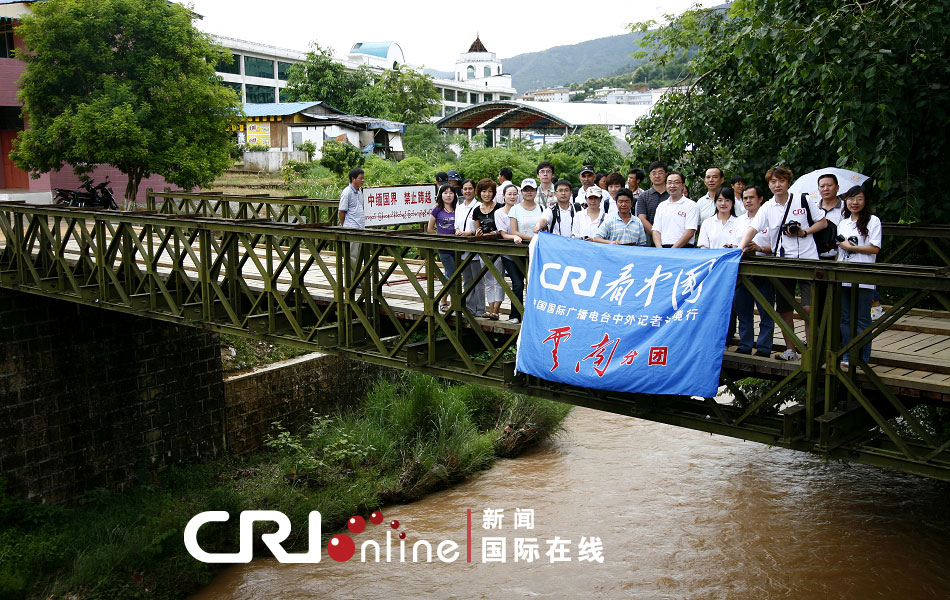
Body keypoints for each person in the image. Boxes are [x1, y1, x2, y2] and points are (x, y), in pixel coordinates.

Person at [737, 166, 828, 360]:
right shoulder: (768, 207)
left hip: (808, 259)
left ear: (788, 182)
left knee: (809, 308)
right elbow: (753, 228)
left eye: (781, 181)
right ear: (769, 185)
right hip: (783, 261)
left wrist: (804, 232)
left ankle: (811, 351)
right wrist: (740, 249)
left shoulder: (803, 200)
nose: (777, 185)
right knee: (784, 308)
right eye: (773, 182)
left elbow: (823, 222)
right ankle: (791, 350)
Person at [837, 184, 882, 368]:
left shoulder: (873, 221)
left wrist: (852, 247)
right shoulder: (843, 222)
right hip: (844, 274)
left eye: (859, 199)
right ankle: (847, 355)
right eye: (851, 199)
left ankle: (862, 357)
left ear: (866, 201)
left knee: (862, 318)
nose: (854, 203)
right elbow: (839, 249)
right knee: (845, 318)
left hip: (864, 276)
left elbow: (875, 248)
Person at [731, 185, 775, 356]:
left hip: (764, 269)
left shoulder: (770, 220)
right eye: (745, 198)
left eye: (751, 197)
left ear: (760, 199)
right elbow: (736, 242)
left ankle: (764, 348)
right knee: (743, 309)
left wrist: (760, 248)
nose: (748, 201)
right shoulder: (739, 220)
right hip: (743, 270)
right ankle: (745, 344)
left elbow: (777, 247)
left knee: (766, 311)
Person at [463, 178, 504, 319]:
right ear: (479, 193)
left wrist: (492, 233)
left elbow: (502, 229)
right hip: (483, 248)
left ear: (493, 193)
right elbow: (477, 229)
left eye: (490, 191)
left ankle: (496, 310)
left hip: (497, 247)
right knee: (487, 279)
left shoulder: (500, 207)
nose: (487, 194)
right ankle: (490, 308)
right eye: (484, 191)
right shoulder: (476, 210)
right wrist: (479, 232)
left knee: (498, 278)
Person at [495, 184, 526, 323]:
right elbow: (502, 233)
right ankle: (515, 315)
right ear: (504, 196)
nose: (512, 197)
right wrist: (514, 237)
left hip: (525, 252)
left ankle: (529, 315)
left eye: (515, 194)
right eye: (509, 194)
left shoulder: (523, 210)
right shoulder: (499, 212)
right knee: (518, 284)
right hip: (509, 254)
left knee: (530, 283)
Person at [427, 184, 458, 312]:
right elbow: (429, 229)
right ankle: (454, 303)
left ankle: (443, 299)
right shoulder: (437, 209)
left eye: (451, 193)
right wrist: (440, 240)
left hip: (458, 247)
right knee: (453, 275)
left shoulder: (458, 208)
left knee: (449, 275)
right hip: (444, 249)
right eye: (445, 193)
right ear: (441, 195)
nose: (448, 195)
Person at [454, 178, 482, 316]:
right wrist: (458, 231)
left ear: (474, 190)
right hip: (462, 248)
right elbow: (456, 224)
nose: (467, 191)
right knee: (467, 280)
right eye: (465, 189)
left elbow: (480, 228)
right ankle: (470, 309)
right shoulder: (459, 207)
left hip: (475, 248)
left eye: (470, 188)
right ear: (461, 190)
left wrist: (469, 233)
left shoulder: (479, 206)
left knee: (478, 280)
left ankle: (480, 309)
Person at [651, 171, 699, 248]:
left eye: (676, 182)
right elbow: (656, 230)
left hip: (684, 249)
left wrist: (673, 250)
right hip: (663, 249)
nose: (672, 186)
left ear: (683, 185)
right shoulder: (662, 206)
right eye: (669, 183)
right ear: (666, 185)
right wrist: (659, 249)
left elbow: (690, 231)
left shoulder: (691, 205)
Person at [338, 167, 365, 269]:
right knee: (352, 256)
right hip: (352, 227)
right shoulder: (347, 192)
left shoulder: (359, 191)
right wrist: (344, 225)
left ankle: (357, 279)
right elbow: (341, 211)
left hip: (360, 227)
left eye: (363, 178)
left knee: (358, 255)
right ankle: (353, 281)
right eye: (360, 178)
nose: (362, 180)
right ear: (353, 179)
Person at [812, 173, 844, 261]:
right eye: (822, 186)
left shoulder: (846, 208)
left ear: (837, 188)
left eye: (829, 185)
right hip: (815, 256)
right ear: (818, 189)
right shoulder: (813, 208)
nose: (825, 189)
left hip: (840, 256)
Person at [636, 161, 670, 236]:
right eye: (654, 173)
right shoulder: (643, 196)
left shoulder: (672, 194)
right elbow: (642, 219)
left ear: (666, 174)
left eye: (660, 173)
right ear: (650, 176)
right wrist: (657, 235)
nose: (657, 176)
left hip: (672, 238)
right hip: (649, 239)